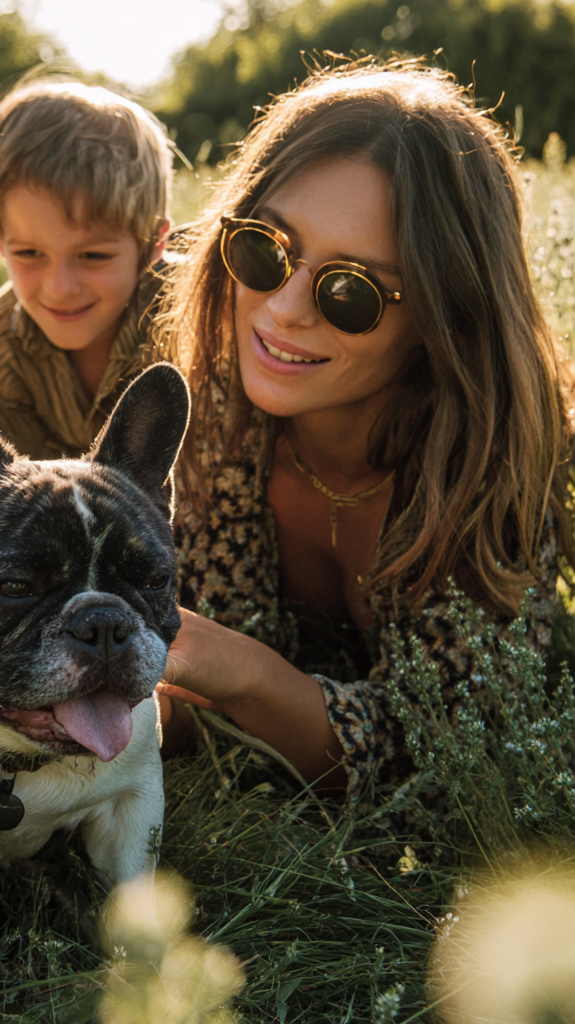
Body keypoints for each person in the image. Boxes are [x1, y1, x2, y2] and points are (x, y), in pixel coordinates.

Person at [154, 59, 574, 805]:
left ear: (444, 318)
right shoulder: (209, 414)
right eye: (266, 248)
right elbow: (188, 711)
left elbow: (445, 756)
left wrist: (241, 672)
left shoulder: (494, 453)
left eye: (350, 290)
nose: (282, 310)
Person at [0, 79, 174, 459]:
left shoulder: (195, 321)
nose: (60, 287)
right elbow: (14, 490)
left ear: (153, 244)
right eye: (30, 253)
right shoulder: (3, 342)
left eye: (93, 256)